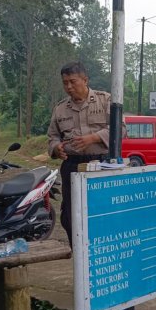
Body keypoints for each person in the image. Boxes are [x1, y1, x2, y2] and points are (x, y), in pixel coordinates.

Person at [47, 61, 111, 247]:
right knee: (70, 214)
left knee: (101, 210)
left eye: (73, 81)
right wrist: (56, 148)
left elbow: (120, 129)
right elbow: (52, 136)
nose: (68, 86)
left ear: (85, 80)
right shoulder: (60, 108)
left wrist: (93, 138)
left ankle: (101, 251)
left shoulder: (105, 100)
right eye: (65, 82)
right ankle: (78, 251)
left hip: (101, 164)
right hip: (72, 166)